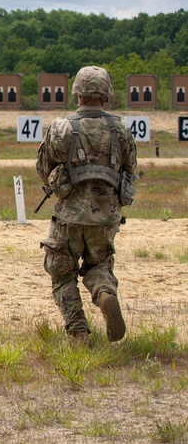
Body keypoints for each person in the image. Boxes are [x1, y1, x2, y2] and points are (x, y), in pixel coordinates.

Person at [36, 65, 137, 342]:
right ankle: (105, 294)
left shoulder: (61, 127)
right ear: (106, 94)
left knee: (62, 273)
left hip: (68, 215)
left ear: (77, 93)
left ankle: (79, 329)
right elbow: (130, 169)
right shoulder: (121, 129)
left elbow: (44, 168)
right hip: (106, 218)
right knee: (99, 266)